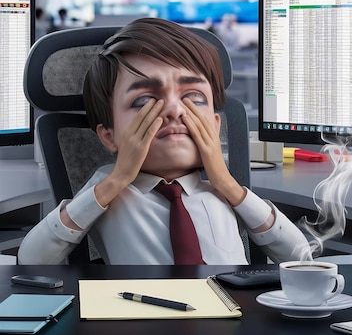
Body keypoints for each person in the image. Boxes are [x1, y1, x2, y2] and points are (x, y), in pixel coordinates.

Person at [18, 18, 311, 265]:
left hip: (231, 319)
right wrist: (116, 180)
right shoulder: (108, 188)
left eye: (194, 98)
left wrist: (228, 185)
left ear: (215, 124)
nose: (174, 109)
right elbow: (31, 260)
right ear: (108, 135)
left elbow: (299, 257)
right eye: (144, 101)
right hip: (143, 321)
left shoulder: (223, 190)